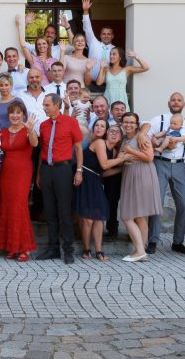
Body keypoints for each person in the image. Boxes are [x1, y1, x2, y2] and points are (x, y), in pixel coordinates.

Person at [146, 91, 185, 255]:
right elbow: (146, 139)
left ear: (184, 104)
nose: (176, 102)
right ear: (169, 103)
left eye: (179, 100)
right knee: (157, 203)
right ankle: (152, 240)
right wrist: (158, 142)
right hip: (160, 163)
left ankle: (178, 241)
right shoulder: (159, 119)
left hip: (180, 166)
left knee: (183, 204)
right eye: (173, 100)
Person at [36, 93, 83, 263]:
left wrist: (79, 171)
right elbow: (42, 151)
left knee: (65, 211)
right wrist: (39, 174)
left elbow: (78, 148)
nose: (44, 107)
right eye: (44, 104)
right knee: (49, 211)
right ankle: (53, 248)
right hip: (47, 170)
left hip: (63, 170)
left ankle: (68, 250)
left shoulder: (71, 122)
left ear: (57, 105)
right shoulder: (43, 125)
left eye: (47, 105)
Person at [0, 100, 39, 261]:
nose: (15, 115)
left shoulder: (28, 130)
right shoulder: (3, 132)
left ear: (23, 115)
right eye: (12, 112)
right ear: (8, 115)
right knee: (7, 206)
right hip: (6, 172)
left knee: (19, 206)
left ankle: (24, 247)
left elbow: (35, 143)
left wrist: (31, 130)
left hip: (23, 172)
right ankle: (12, 246)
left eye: (18, 112)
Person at [117, 112, 163, 263]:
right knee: (139, 216)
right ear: (122, 123)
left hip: (142, 174)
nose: (128, 125)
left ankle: (140, 250)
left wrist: (130, 151)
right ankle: (141, 251)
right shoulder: (124, 138)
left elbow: (149, 157)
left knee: (128, 215)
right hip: (129, 174)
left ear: (137, 125)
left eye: (132, 122)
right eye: (126, 122)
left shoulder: (141, 137)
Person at [76, 119, 114, 261]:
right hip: (85, 179)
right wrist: (124, 159)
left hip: (96, 180)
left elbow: (103, 172)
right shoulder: (96, 142)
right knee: (88, 219)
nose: (99, 128)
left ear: (107, 130)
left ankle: (99, 251)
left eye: (102, 126)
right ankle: (86, 250)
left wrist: (120, 169)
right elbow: (104, 165)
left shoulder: (107, 145)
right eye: (97, 125)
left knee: (98, 217)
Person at [97, 47, 149, 112]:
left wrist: (136, 57)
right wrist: (101, 68)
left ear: (120, 57)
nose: (111, 56)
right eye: (110, 54)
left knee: (122, 118)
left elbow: (146, 67)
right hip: (108, 96)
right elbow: (99, 83)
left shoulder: (127, 69)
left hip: (121, 97)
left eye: (114, 54)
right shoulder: (106, 69)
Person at [81, 0, 115, 88]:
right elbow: (87, 28)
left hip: (109, 85)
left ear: (112, 36)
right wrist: (85, 11)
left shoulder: (115, 50)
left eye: (108, 34)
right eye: (104, 34)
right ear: (100, 35)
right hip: (90, 84)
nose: (106, 36)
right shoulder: (93, 43)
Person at [16, 16, 56, 86]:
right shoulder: (33, 59)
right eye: (39, 44)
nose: (41, 46)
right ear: (37, 47)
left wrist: (44, 64)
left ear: (47, 45)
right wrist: (19, 26)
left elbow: (53, 80)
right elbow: (23, 45)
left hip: (49, 91)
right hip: (35, 90)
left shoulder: (54, 61)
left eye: (44, 43)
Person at [102, 124, 124, 240]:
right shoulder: (102, 146)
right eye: (111, 131)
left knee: (112, 201)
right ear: (106, 134)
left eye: (117, 132)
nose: (114, 133)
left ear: (121, 136)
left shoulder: (120, 148)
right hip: (98, 176)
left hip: (115, 179)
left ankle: (112, 230)